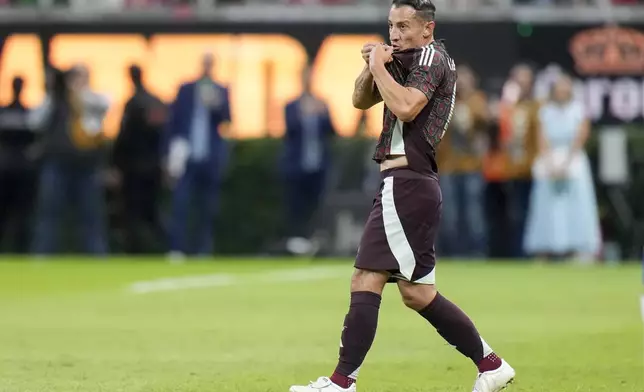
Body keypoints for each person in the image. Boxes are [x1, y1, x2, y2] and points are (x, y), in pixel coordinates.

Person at [289, 1, 515, 392]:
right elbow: (361, 100)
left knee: (365, 278)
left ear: (427, 28)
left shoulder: (431, 57)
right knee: (417, 293)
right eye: (391, 25)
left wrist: (379, 64)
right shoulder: (406, 58)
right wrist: (370, 65)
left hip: (407, 182)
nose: (395, 33)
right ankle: (491, 365)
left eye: (405, 26)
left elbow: (408, 108)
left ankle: (342, 383)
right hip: (412, 184)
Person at [523, 73, 600, 261]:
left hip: (573, 160)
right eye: (558, 89)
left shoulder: (578, 110)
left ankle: (579, 248)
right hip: (550, 162)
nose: (561, 92)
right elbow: (542, 139)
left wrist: (567, 162)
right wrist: (550, 162)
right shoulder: (545, 111)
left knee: (577, 205)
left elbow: (581, 136)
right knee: (546, 207)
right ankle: (545, 248)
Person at [164, 51, 231, 260]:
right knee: (181, 203)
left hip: (209, 157)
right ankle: (177, 248)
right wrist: (168, 154)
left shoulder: (220, 90)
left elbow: (227, 120)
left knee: (207, 206)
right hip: (187, 156)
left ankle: (203, 249)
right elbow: (173, 123)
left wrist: (216, 105)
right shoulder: (186, 89)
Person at [282, 64, 336, 255]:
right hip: (298, 166)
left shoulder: (321, 104)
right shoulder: (292, 106)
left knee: (317, 204)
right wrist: (302, 114)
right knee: (297, 205)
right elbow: (289, 131)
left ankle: (314, 241)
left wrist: (321, 114)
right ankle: (296, 242)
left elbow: (333, 132)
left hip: (318, 165)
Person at [113, 65, 167, 254]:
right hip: (153, 165)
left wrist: (116, 163)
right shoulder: (156, 101)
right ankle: (168, 247)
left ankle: (134, 249)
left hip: (135, 167)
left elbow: (124, 136)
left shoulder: (134, 103)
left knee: (132, 212)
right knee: (151, 211)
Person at [437, 64, 489, 257]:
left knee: (473, 212)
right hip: (449, 165)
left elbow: (486, 120)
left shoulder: (478, 100)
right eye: (459, 78)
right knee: (450, 212)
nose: (462, 83)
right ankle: (453, 251)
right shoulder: (444, 101)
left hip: (472, 165)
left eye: (466, 79)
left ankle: (477, 251)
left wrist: (468, 110)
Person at [0, 76, 37, 253]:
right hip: (8, 167)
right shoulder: (17, 112)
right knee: (9, 212)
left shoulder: (29, 113)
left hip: (20, 169)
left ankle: (21, 250)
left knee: (21, 213)